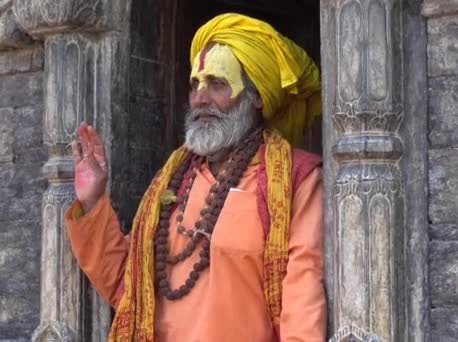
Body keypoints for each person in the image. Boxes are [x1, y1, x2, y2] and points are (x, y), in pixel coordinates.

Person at [65, 13, 326, 341]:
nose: (200, 98)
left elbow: (303, 301)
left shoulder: (295, 180)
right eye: (195, 85)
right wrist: (92, 202)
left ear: (257, 96)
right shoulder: (174, 179)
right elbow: (127, 287)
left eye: (218, 84)